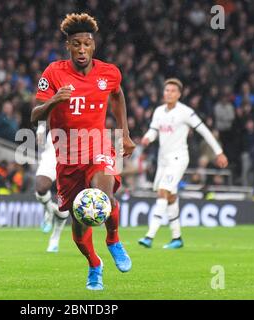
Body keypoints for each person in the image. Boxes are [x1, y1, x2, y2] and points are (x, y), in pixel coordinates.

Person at [31, 13, 135, 290]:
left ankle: (113, 239)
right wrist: (54, 100)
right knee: (79, 223)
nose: (81, 49)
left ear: (93, 45)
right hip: (66, 155)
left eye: (86, 44)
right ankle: (94, 264)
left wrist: (124, 133)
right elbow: (34, 115)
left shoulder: (109, 72)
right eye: (75, 44)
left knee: (104, 197)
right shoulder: (53, 73)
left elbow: (117, 94)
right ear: (68, 46)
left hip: (97, 145)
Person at [138, 78, 228, 249]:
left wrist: (219, 152)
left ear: (179, 94)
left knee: (163, 191)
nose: (169, 93)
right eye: (166, 90)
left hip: (178, 158)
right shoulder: (158, 111)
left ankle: (149, 236)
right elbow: (153, 130)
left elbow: (204, 131)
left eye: (173, 91)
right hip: (163, 160)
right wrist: (147, 138)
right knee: (170, 196)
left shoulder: (185, 112)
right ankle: (177, 238)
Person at [35, 121, 69, 253]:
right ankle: (49, 210)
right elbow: (43, 115)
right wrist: (41, 128)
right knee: (41, 188)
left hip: (71, 159)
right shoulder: (55, 105)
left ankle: (55, 239)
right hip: (51, 155)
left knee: (64, 204)